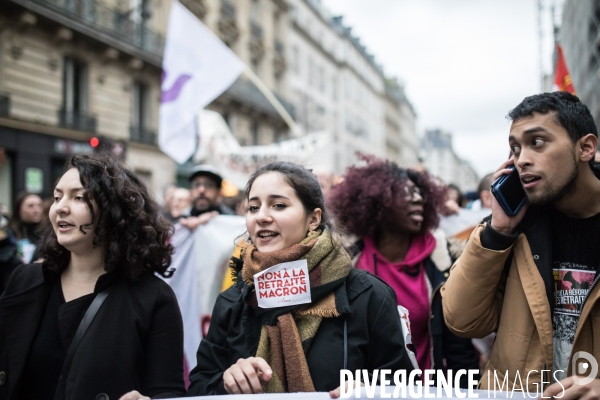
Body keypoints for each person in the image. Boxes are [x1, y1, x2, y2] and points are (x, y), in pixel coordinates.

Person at [186, 161, 414, 397]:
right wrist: (225, 383)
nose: (262, 217)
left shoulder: (368, 295)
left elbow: (407, 387)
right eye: (253, 208)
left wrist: (372, 392)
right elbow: (198, 388)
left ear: (313, 219)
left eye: (279, 205)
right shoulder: (233, 301)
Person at [442, 92, 600, 397]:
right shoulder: (513, 231)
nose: (521, 159)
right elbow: (462, 321)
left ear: (586, 148)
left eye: (537, 142)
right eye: (515, 148)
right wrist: (497, 232)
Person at [0, 154, 186, 400]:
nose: (61, 207)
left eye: (78, 197)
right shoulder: (25, 281)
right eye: (57, 197)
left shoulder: (153, 298)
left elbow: (168, 391)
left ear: (114, 211)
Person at [328, 156, 480, 388]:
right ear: (380, 200)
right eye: (407, 193)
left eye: (420, 193)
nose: (418, 199)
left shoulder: (445, 260)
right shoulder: (347, 261)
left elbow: (459, 349)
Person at [179, 164, 235, 231]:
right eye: (196, 185)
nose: (201, 190)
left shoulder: (231, 220)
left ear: (219, 193)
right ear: (190, 192)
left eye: (208, 185)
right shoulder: (179, 219)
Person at [9, 191, 43, 263]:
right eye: (30, 206)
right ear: (19, 210)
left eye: (40, 205)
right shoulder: (9, 233)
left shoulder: (48, 232)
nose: (37, 210)